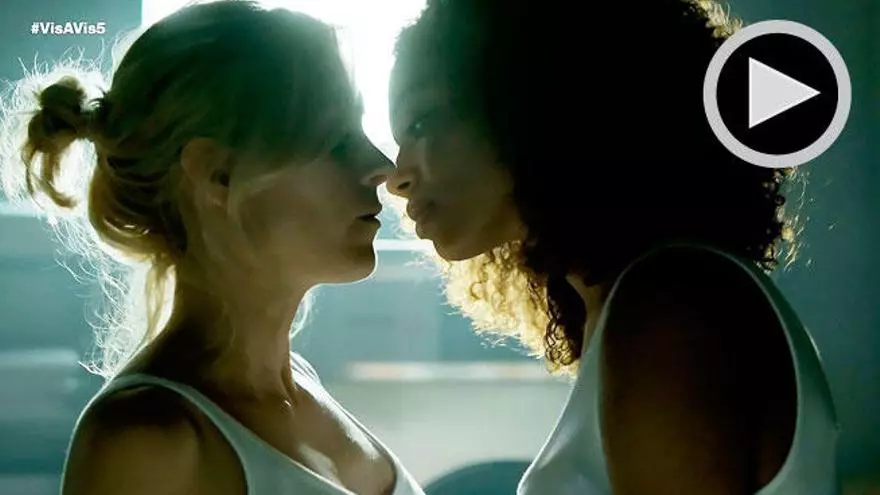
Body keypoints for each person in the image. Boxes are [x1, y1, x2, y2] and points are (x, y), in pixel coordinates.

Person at [387, 0, 839, 493]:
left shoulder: (672, 308)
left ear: (530, 97)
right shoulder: (644, 303)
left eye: (420, 123)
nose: (396, 176)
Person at [0, 1, 425, 494]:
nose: (381, 165)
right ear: (218, 174)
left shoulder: (300, 386)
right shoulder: (146, 444)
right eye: (334, 140)